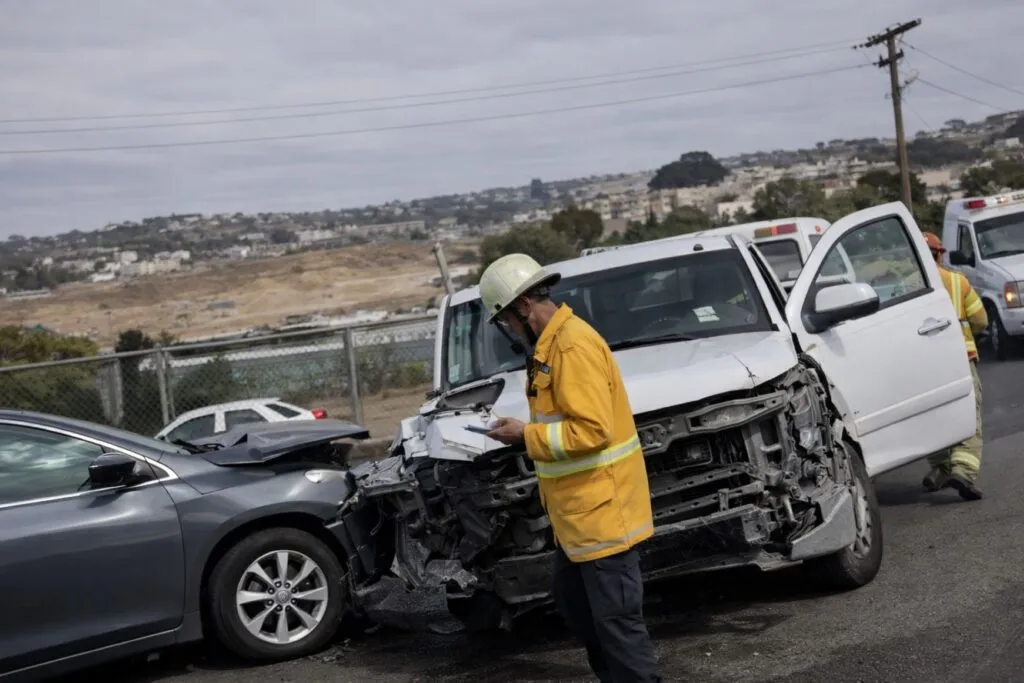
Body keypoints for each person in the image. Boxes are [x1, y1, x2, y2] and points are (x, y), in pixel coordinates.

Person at [480, 253, 662, 683]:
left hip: (602, 517)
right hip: (578, 520)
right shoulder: (552, 345)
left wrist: (525, 436)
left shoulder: (571, 346)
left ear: (523, 307)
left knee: (617, 624)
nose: (507, 328)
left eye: (505, 318)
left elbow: (592, 431)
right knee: (578, 608)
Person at [922, 232, 987, 501]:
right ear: (940, 253)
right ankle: (962, 471)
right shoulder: (957, 282)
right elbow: (980, 320)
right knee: (969, 414)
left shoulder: (907, 286)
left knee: (934, 416)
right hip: (960, 357)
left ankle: (940, 469)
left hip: (923, 363)